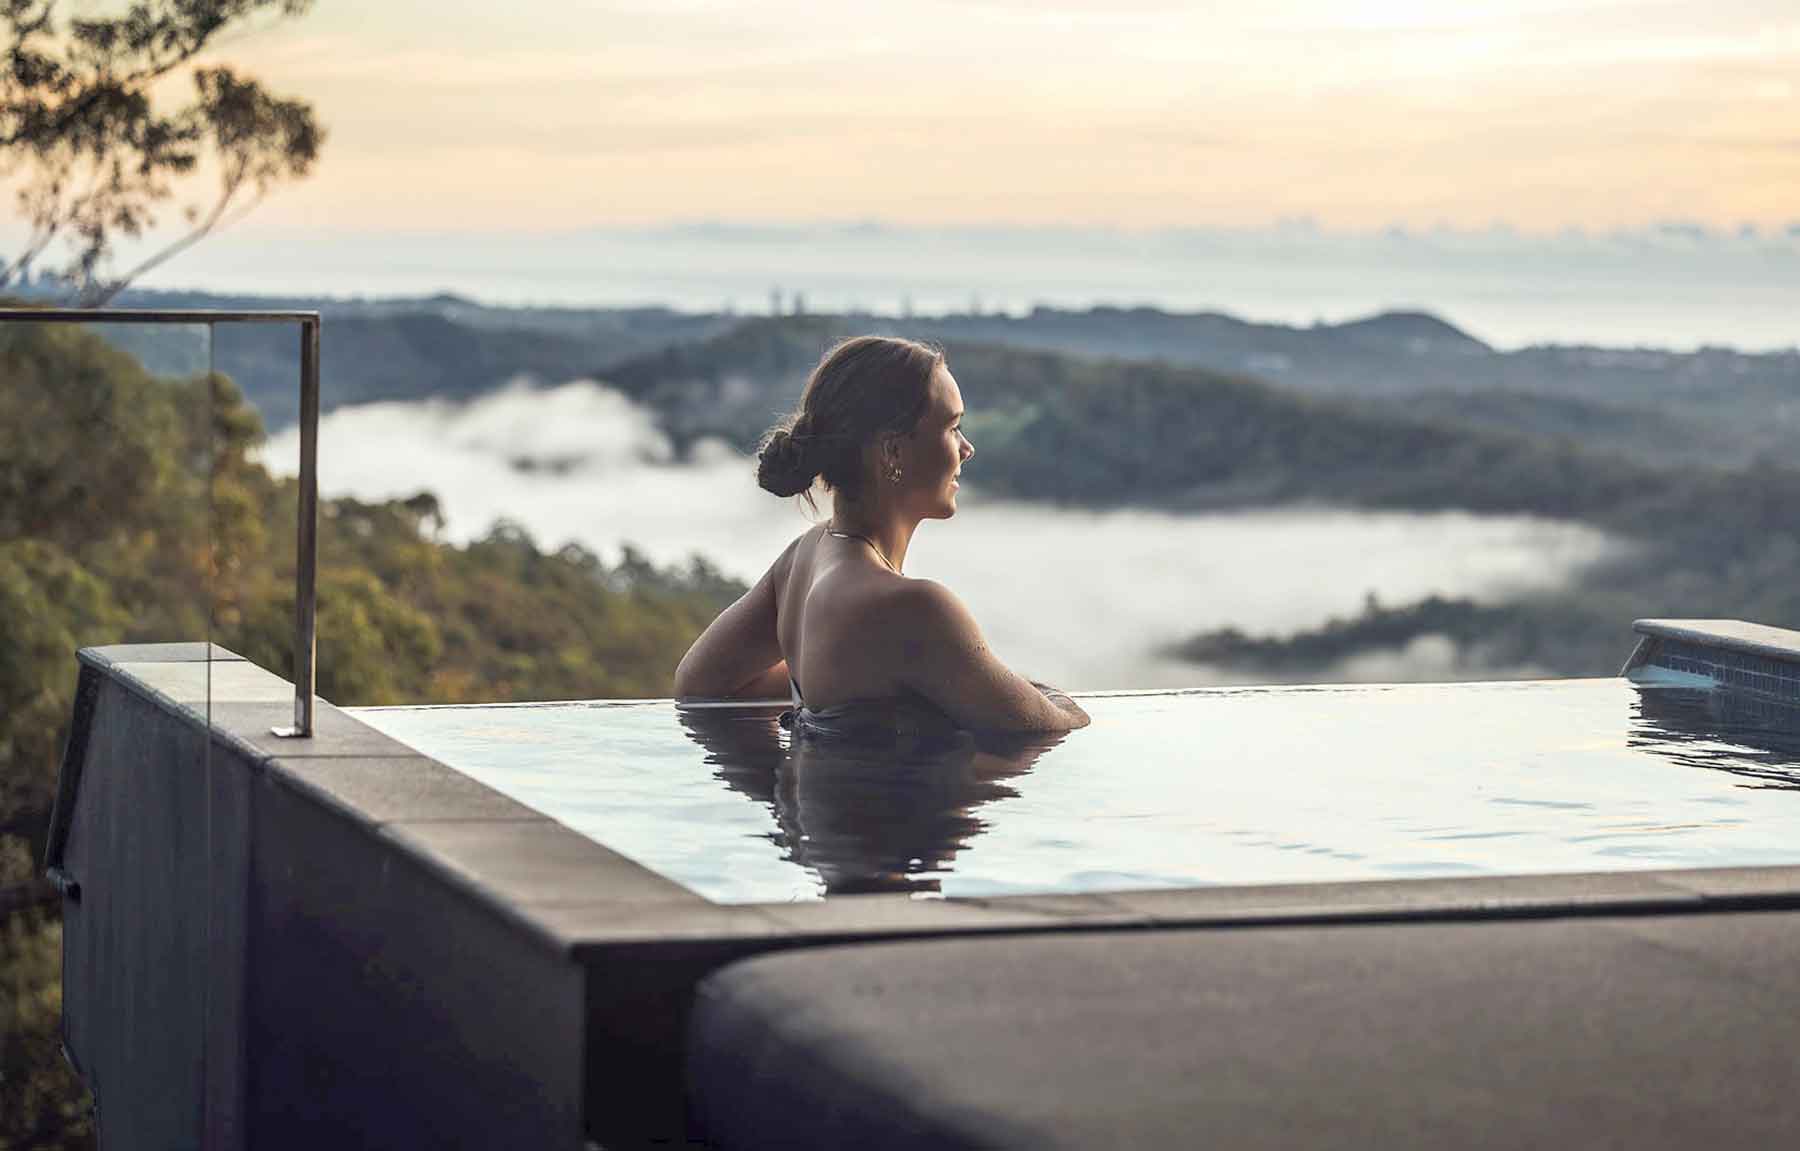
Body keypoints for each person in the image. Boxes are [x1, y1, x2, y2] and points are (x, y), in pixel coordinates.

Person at [673, 335, 1090, 733]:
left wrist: (788, 783)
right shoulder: (914, 608)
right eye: (951, 428)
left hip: (821, 808)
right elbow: (1049, 726)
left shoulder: (804, 556)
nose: (967, 449)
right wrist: (1044, 694)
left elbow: (700, 684)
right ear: (892, 452)